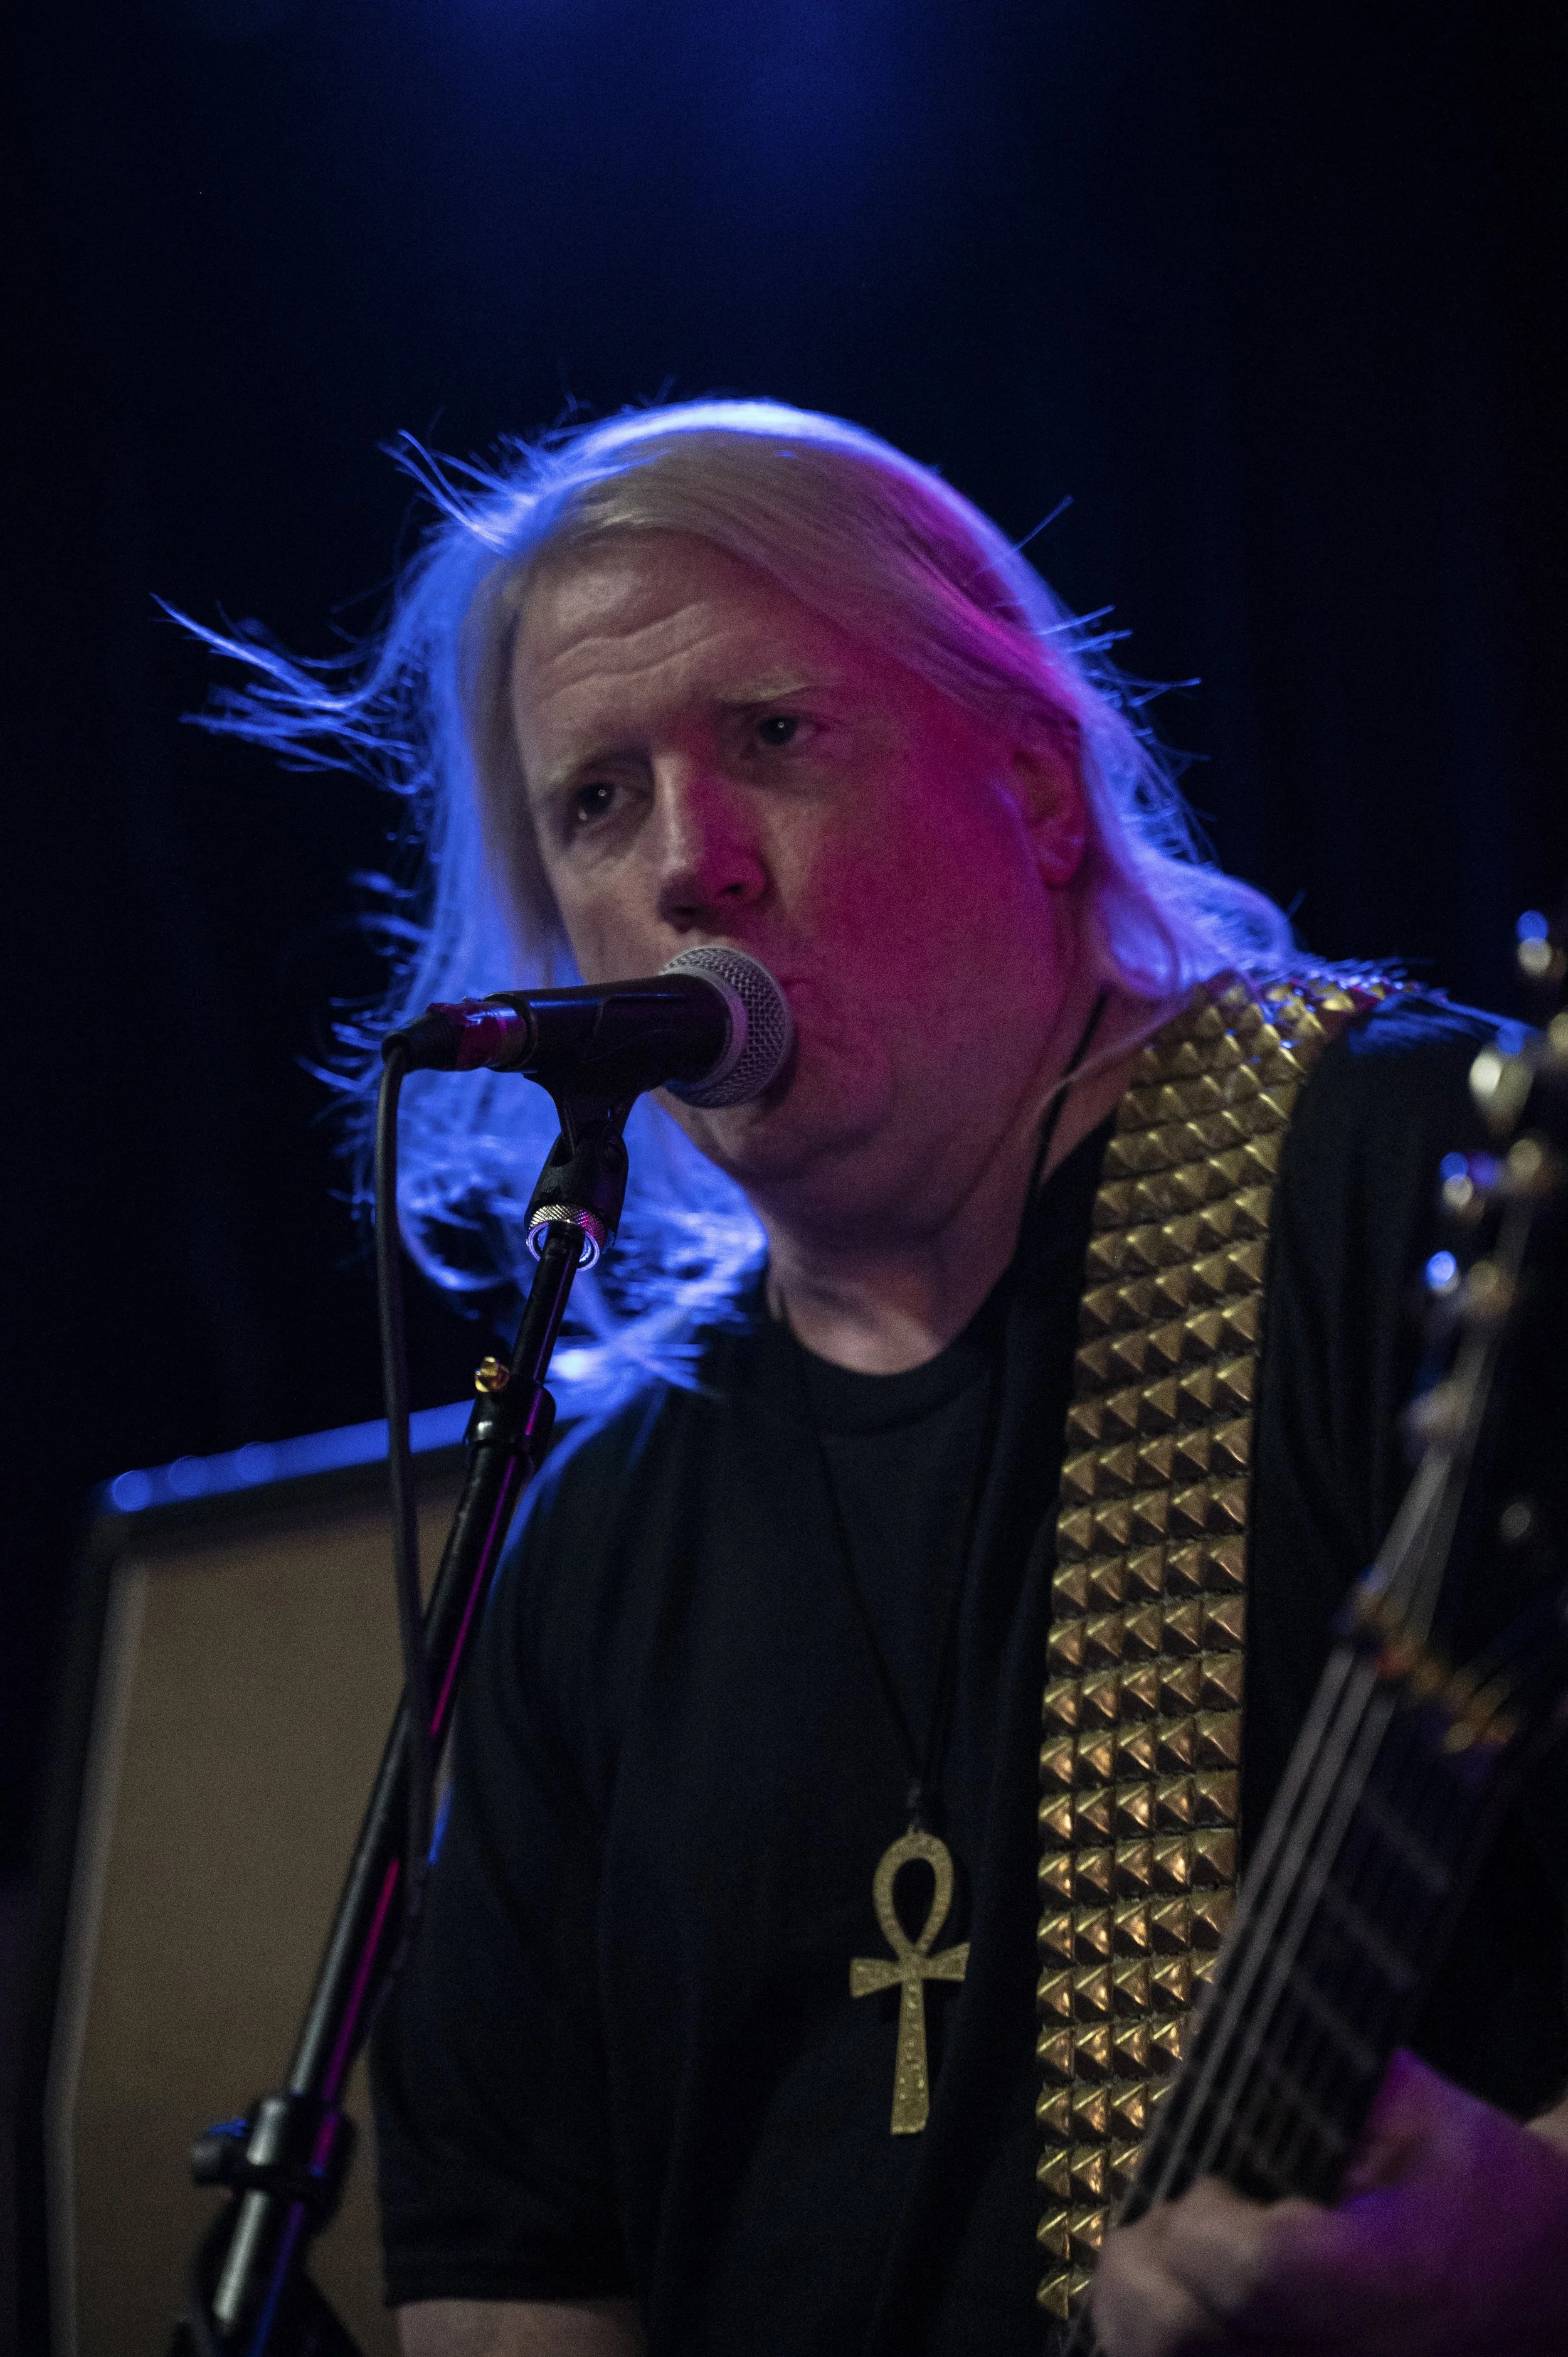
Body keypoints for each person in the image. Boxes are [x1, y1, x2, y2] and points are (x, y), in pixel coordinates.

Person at [197, 402, 1568, 2354]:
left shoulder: (1412, 1185)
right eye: (597, 802)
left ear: (1034, 787)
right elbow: (510, 2275)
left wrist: (1522, 2250)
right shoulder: (592, 1535)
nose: (691, 865)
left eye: (772, 735)